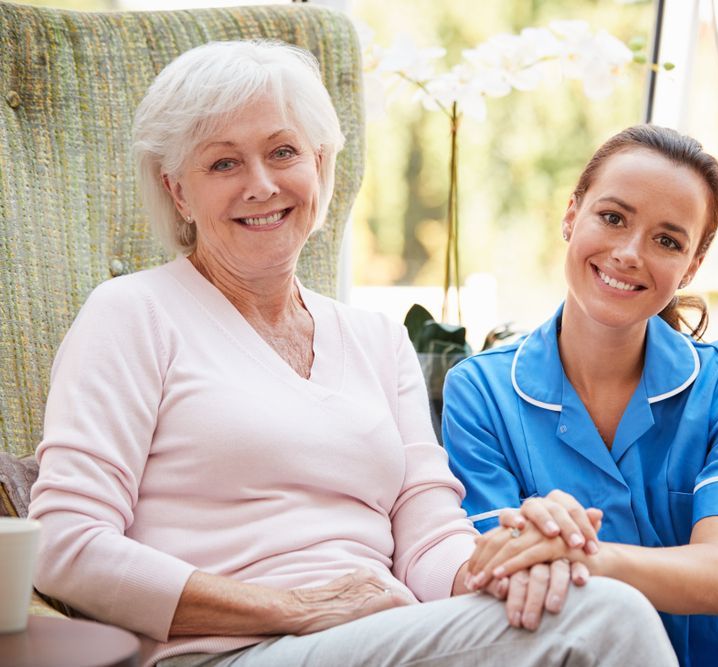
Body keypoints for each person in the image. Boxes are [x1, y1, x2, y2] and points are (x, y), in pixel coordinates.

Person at [27, 42, 679, 667]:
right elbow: (63, 543)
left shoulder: (376, 337)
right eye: (223, 163)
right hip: (222, 648)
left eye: (283, 152)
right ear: (177, 191)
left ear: (319, 166)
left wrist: (511, 562)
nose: (261, 184)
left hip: (379, 635)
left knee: (575, 599)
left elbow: (429, 533)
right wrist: (293, 607)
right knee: (608, 619)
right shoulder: (131, 314)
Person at [442, 126, 718, 667]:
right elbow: (496, 571)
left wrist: (577, 551)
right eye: (613, 217)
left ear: (691, 266)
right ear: (571, 215)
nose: (628, 253)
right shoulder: (480, 391)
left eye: (667, 240)